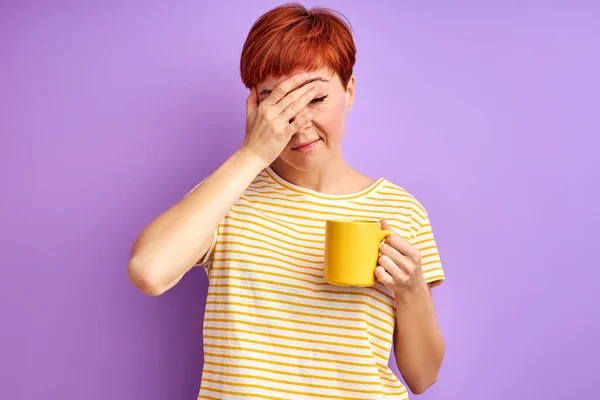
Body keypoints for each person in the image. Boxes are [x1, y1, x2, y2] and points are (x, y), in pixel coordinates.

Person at [128, 3, 446, 399]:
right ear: (254, 107)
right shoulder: (228, 193)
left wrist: (412, 288)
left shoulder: (402, 210)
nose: (298, 123)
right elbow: (148, 271)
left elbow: (423, 377)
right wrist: (251, 154)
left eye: (315, 99)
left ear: (349, 91)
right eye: (277, 102)